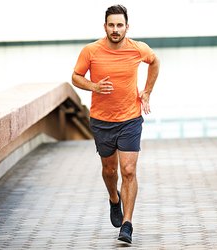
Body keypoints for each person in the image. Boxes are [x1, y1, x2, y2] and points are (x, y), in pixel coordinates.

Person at [71, 4, 160, 244]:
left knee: (129, 170)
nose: (115, 29)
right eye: (111, 25)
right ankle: (113, 198)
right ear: (105, 26)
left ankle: (127, 224)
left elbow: (155, 62)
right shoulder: (91, 51)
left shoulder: (137, 49)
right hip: (102, 121)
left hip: (130, 118)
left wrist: (147, 92)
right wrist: (94, 86)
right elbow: (76, 76)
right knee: (109, 170)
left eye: (120, 25)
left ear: (126, 27)